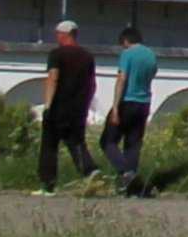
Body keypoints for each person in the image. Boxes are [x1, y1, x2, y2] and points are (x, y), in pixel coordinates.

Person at [33, 19, 100, 191]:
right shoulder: (87, 56)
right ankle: (90, 169)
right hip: (78, 109)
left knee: (49, 145)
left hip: (58, 107)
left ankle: (48, 184)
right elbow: (92, 84)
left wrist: (48, 105)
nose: (56, 37)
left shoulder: (57, 54)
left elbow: (53, 78)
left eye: (57, 34)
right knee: (76, 142)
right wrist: (86, 103)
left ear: (64, 34)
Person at [102, 25, 159, 197]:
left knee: (108, 141)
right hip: (144, 102)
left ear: (125, 41)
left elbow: (122, 78)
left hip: (127, 100)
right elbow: (153, 74)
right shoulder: (150, 55)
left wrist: (115, 107)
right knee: (133, 143)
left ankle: (127, 173)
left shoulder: (127, 54)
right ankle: (132, 186)